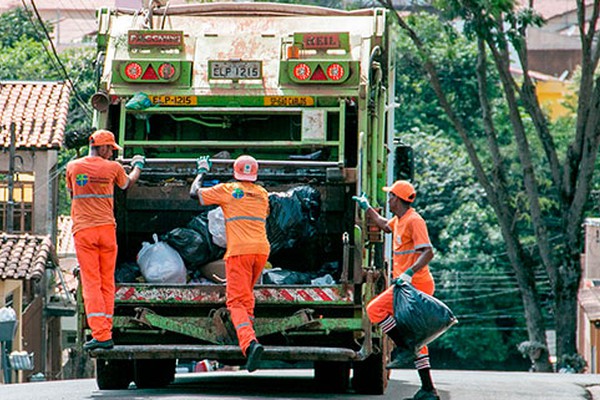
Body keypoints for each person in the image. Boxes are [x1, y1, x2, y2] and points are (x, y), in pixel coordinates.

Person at [353, 180, 438, 400]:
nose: (388, 199)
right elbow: (383, 224)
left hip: (414, 285)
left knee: (374, 310)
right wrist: (366, 207)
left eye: (390, 196)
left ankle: (403, 347)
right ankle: (428, 389)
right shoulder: (400, 220)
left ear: (398, 199)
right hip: (406, 285)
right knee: (419, 339)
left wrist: (409, 273)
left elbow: (428, 252)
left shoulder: (414, 221)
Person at [66, 130, 145, 351]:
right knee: (106, 283)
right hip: (106, 232)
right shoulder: (113, 168)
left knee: (91, 284)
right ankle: (105, 330)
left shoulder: (73, 167)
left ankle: (101, 334)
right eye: (110, 148)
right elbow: (127, 184)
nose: (111, 152)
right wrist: (138, 165)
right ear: (100, 147)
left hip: (84, 232)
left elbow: (72, 192)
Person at [190, 154, 270, 373]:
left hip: (239, 252)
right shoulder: (263, 194)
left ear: (235, 172)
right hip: (261, 251)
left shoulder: (228, 190)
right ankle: (246, 331)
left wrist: (202, 171)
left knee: (235, 301)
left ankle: (249, 343)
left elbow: (193, 194)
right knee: (247, 296)